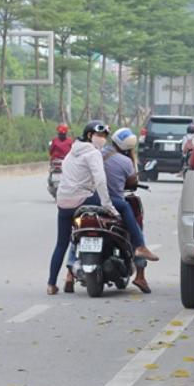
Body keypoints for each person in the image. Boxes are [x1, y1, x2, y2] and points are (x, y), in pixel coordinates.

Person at [49, 121, 113, 296]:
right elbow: (100, 180)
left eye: (104, 136)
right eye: (99, 136)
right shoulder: (93, 153)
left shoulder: (72, 152)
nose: (102, 139)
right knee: (119, 207)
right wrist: (108, 204)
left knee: (62, 243)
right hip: (83, 200)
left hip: (63, 202)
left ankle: (51, 284)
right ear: (90, 136)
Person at [104, 127, 160, 293]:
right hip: (115, 201)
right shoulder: (126, 162)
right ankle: (140, 274)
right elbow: (131, 183)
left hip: (91, 200)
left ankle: (70, 272)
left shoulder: (97, 154)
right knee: (136, 227)